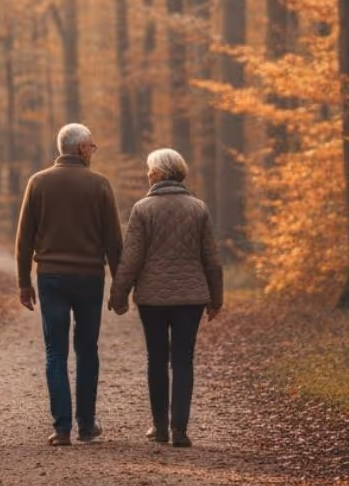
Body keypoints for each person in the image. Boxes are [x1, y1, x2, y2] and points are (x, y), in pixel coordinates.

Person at [15, 123, 123, 446]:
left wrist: (24, 283)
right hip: (89, 278)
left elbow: (24, 239)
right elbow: (113, 241)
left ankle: (62, 428)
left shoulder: (38, 182)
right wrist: (119, 287)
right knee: (87, 350)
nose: (93, 151)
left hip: (51, 278)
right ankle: (87, 426)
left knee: (55, 352)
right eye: (92, 146)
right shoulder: (99, 185)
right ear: (81, 149)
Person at [109, 147, 223, 448]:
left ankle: (160, 428)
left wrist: (119, 295)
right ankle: (180, 430)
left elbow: (131, 259)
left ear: (159, 173)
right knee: (183, 360)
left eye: (150, 169)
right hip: (191, 297)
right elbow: (212, 259)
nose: (148, 174)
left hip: (153, 298)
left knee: (157, 359)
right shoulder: (198, 208)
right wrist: (216, 299)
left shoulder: (142, 209)